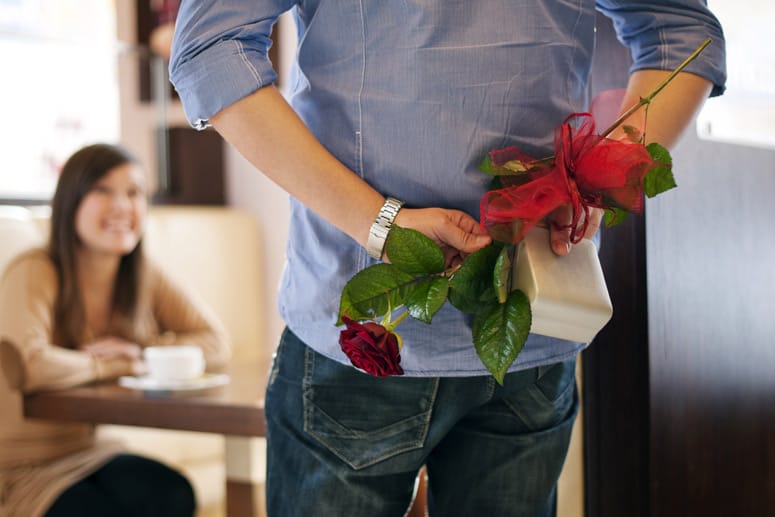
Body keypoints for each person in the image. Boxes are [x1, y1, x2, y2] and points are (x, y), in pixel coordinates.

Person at [169, 2, 726, 515]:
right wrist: (593, 184)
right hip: (509, 315)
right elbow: (679, 32)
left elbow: (208, 49)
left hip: (436, 320)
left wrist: (376, 222)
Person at [0, 143, 232, 517]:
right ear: (70, 200)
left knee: (173, 494)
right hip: (18, 465)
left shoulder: (141, 273)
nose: (123, 206)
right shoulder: (35, 269)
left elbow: (215, 341)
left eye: (134, 193)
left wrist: (140, 355)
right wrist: (113, 366)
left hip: (88, 452)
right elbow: (29, 364)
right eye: (103, 190)